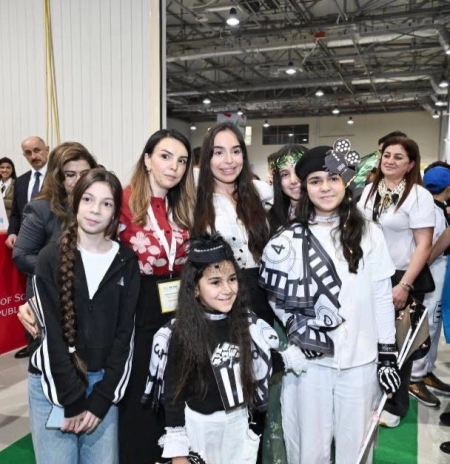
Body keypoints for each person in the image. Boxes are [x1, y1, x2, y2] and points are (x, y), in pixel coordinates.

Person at [259, 144, 399, 464]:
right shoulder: (288, 237)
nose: (325, 187)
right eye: (315, 181)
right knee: (308, 449)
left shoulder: (370, 232)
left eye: (333, 179)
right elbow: (276, 296)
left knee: (356, 447)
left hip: (360, 361)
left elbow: (381, 295)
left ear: (345, 183)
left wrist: (387, 354)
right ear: (305, 188)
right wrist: (300, 330)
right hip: (310, 365)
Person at [142, 234, 306, 464]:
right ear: (195, 288)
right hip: (201, 432)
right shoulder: (180, 333)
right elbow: (173, 395)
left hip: (239, 427)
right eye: (215, 282)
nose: (227, 289)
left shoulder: (247, 324)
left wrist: (289, 358)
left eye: (232, 279)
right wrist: (179, 454)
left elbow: (258, 364)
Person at [28, 169, 140, 464]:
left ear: (115, 212)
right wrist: (72, 400)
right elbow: (51, 336)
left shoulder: (127, 262)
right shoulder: (50, 257)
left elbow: (125, 336)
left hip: (104, 385)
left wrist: (102, 399)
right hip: (55, 384)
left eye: (106, 203)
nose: (95, 210)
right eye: (88, 199)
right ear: (75, 202)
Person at [193, 122, 273, 463]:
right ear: (206, 158)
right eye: (219, 152)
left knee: (257, 392)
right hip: (221, 301)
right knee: (224, 393)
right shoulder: (195, 201)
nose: (229, 160)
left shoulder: (258, 195)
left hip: (261, 298)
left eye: (236, 151)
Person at [118, 129, 196, 464]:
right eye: (165, 156)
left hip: (179, 311)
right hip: (138, 314)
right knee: (140, 398)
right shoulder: (121, 201)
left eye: (181, 160)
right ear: (148, 160)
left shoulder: (185, 205)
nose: (174, 167)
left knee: (175, 396)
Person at [358, 136, 435, 427]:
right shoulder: (369, 190)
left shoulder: (418, 196)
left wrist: (404, 285)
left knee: (400, 345)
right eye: (386, 155)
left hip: (403, 276)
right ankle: (373, 396)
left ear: (411, 164)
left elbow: (424, 245)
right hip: (369, 274)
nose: (389, 161)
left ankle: (395, 406)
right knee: (372, 340)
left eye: (398, 157)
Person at [409, 166, 450, 406]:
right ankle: (414, 377)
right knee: (427, 326)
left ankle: (425, 370)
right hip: (431, 275)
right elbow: (428, 251)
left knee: (434, 326)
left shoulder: (436, 208)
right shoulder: (431, 211)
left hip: (437, 273)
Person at [6, 136, 50, 359]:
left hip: (52, 246)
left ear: (47, 150)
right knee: (30, 297)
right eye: (28, 153)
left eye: (37, 150)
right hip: (28, 250)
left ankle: (51, 343)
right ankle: (33, 343)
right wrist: (13, 232)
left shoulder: (59, 178)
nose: (34, 156)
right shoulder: (21, 181)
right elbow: (15, 213)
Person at [268, 144, 306, 236]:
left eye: (299, 172)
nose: (293, 180)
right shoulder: (270, 218)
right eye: (285, 174)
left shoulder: (324, 216)